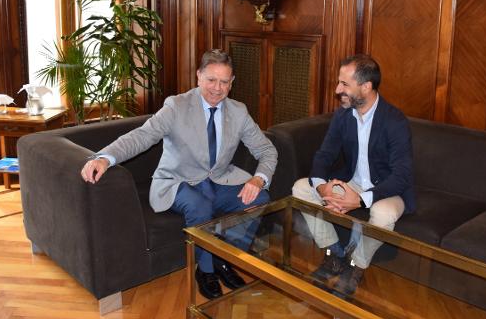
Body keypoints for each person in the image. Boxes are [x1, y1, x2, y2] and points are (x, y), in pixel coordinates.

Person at [80, 49, 278, 300]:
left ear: (232, 82)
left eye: (224, 82)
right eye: (211, 80)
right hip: (178, 181)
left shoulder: (238, 111)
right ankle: (204, 271)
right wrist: (104, 158)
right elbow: (142, 136)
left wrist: (258, 178)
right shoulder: (177, 106)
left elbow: (266, 150)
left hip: (219, 179)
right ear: (198, 77)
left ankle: (223, 260)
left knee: (260, 198)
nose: (217, 88)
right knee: (200, 206)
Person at [291, 53, 415, 297]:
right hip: (353, 183)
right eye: (339, 83)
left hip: (388, 190)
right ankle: (335, 254)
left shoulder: (394, 121)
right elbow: (324, 155)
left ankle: (356, 266)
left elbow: (402, 175)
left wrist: (359, 200)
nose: (338, 90)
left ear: (366, 87)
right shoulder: (343, 115)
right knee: (300, 188)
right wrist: (321, 188)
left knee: (383, 214)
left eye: (345, 84)